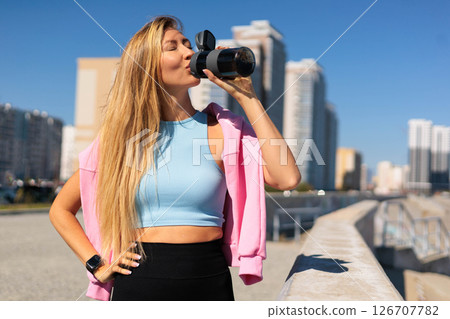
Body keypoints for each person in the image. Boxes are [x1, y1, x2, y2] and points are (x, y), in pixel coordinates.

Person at [49, 15, 301, 301]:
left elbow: (287, 178)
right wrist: (97, 265)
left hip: (209, 279)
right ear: (147, 67)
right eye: (173, 47)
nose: (189, 52)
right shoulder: (122, 139)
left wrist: (248, 98)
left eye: (187, 44)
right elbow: (60, 211)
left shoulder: (223, 129)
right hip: (139, 280)